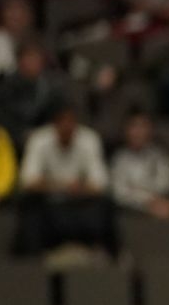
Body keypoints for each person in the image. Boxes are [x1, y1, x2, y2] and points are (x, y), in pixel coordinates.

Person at [15, 104, 117, 258]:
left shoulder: (89, 139)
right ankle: (33, 263)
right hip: (48, 205)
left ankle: (107, 258)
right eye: (62, 123)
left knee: (106, 205)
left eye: (71, 122)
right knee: (28, 206)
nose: (67, 127)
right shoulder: (39, 139)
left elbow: (100, 184)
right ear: (54, 125)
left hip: (80, 205)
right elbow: (28, 181)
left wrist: (78, 188)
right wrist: (62, 186)